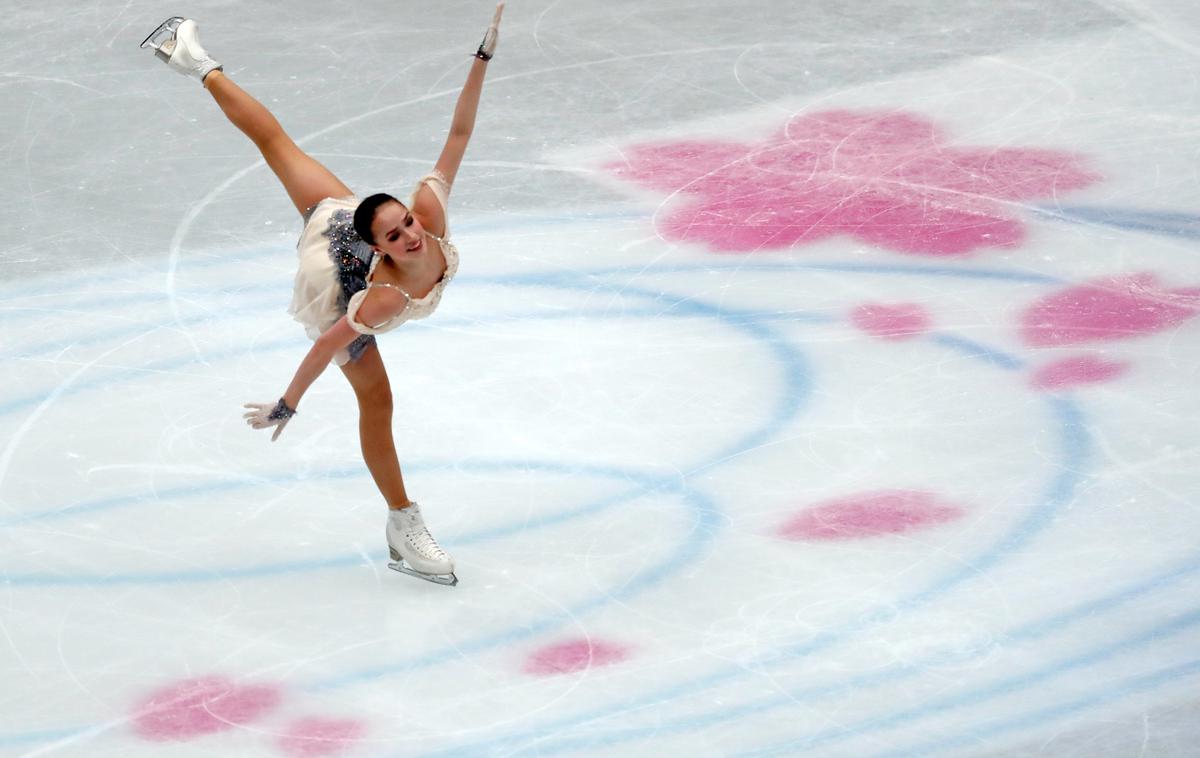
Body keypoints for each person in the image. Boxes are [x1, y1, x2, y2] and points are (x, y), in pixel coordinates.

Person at [140, 5, 505, 585]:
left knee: (276, 141)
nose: (411, 236)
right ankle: (402, 523)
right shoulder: (379, 298)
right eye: (395, 236)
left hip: (343, 221)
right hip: (336, 281)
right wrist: (289, 402)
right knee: (378, 403)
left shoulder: (426, 215)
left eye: (407, 223)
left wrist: (482, 59)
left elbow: (459, 133)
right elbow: (325, 345)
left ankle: (195, 61)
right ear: (378, 248)